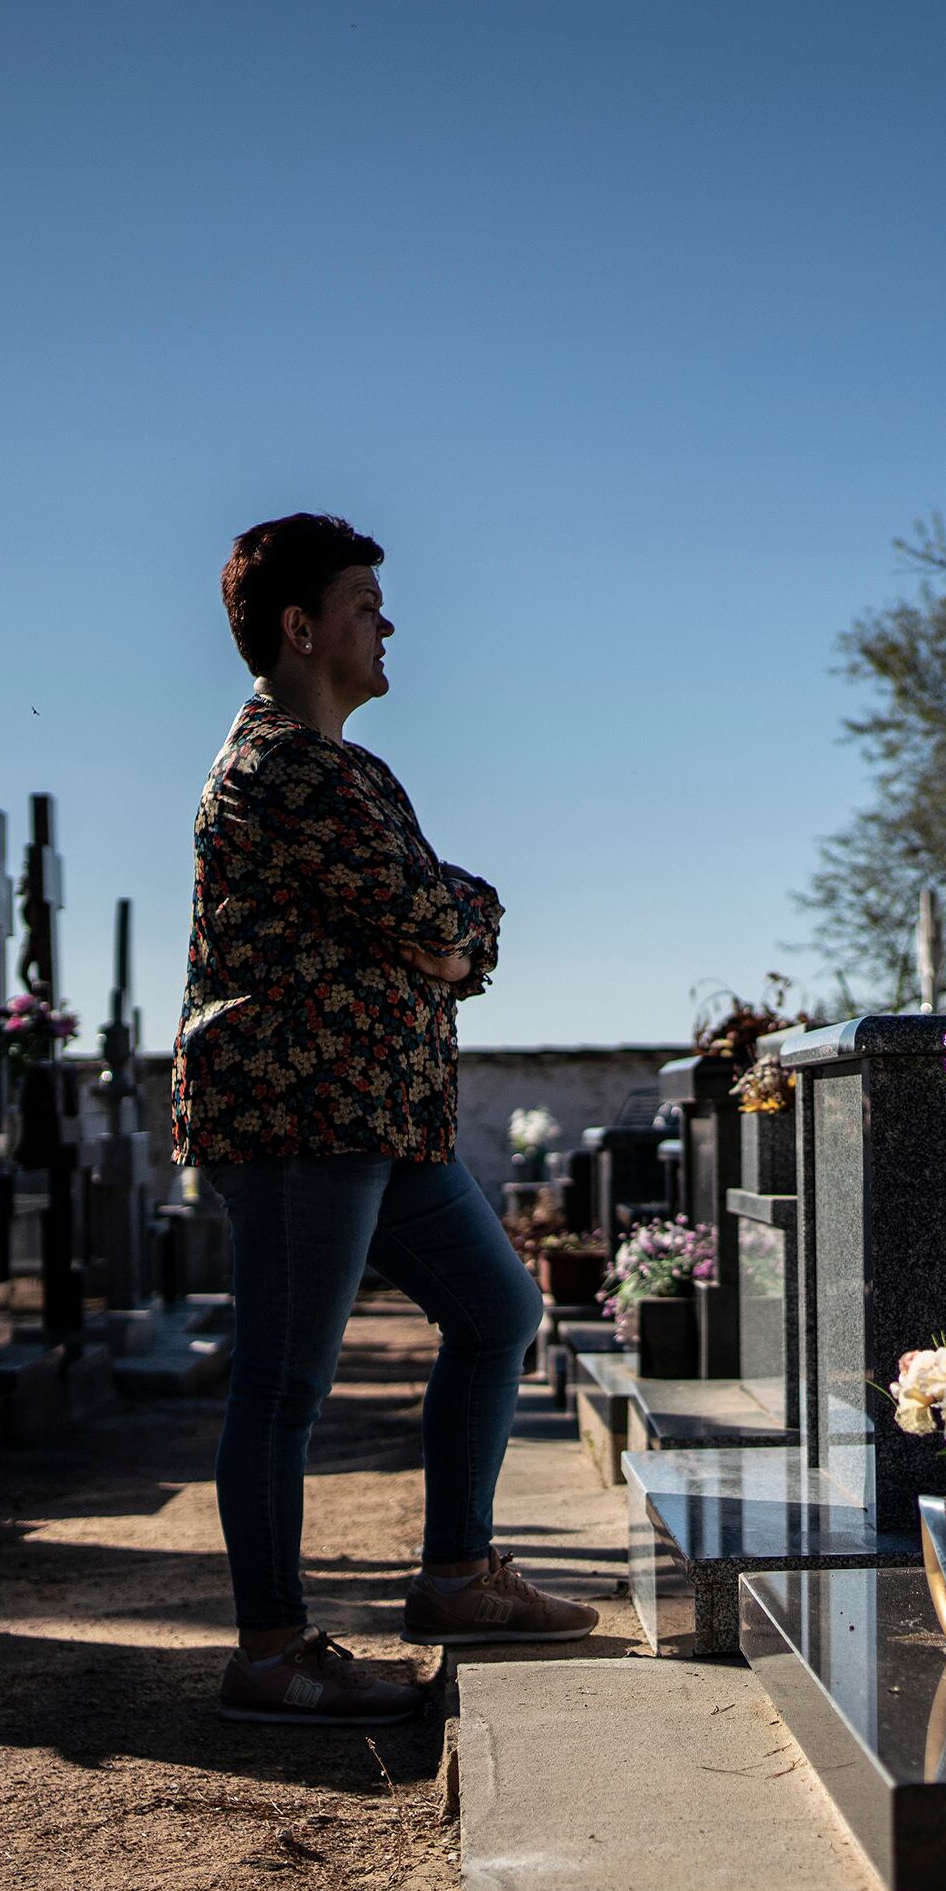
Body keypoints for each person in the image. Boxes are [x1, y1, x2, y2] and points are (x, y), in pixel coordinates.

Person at [177, 513, 590, 1727]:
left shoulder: (349, 769)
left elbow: (451, 924)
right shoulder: (282, 768)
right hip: (307, 1112)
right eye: (364, 602)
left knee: (500, 1308)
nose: (387, 621)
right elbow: (430, 909)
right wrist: (455, 918)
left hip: (379, 1110)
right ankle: (271, 1649)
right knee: (285, 1383)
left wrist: (456, 920)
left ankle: (460, 1572)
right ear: (301, 628)